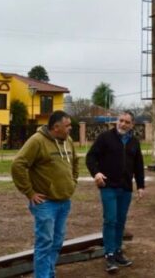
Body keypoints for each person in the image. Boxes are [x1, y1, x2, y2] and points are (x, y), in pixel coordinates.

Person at [11, 110, 78, 278]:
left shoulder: (68, 140)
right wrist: (30, 192)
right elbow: (18, 164)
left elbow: (75, 161)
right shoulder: (37, 141)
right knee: (45, 243)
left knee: (57, 242)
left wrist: (73, 182)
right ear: (56, 127)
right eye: (67, 125)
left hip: (64, 201)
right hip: (45, 204)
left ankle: (49, 273)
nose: (70, 128)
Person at [86, 111, 145, 273]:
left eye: (127, 122)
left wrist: (140, 186)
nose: (123, 124)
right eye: (121, 120)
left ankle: (118, 251)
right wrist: (96, 173)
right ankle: (109, 254)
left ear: (132, 124)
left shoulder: (134, 142)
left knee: (120, 221)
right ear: (116, 121)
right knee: (110, 220)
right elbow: (90, 157)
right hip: (108, 186)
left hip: (125, 188)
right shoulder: (105, 138)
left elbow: (138, 165)